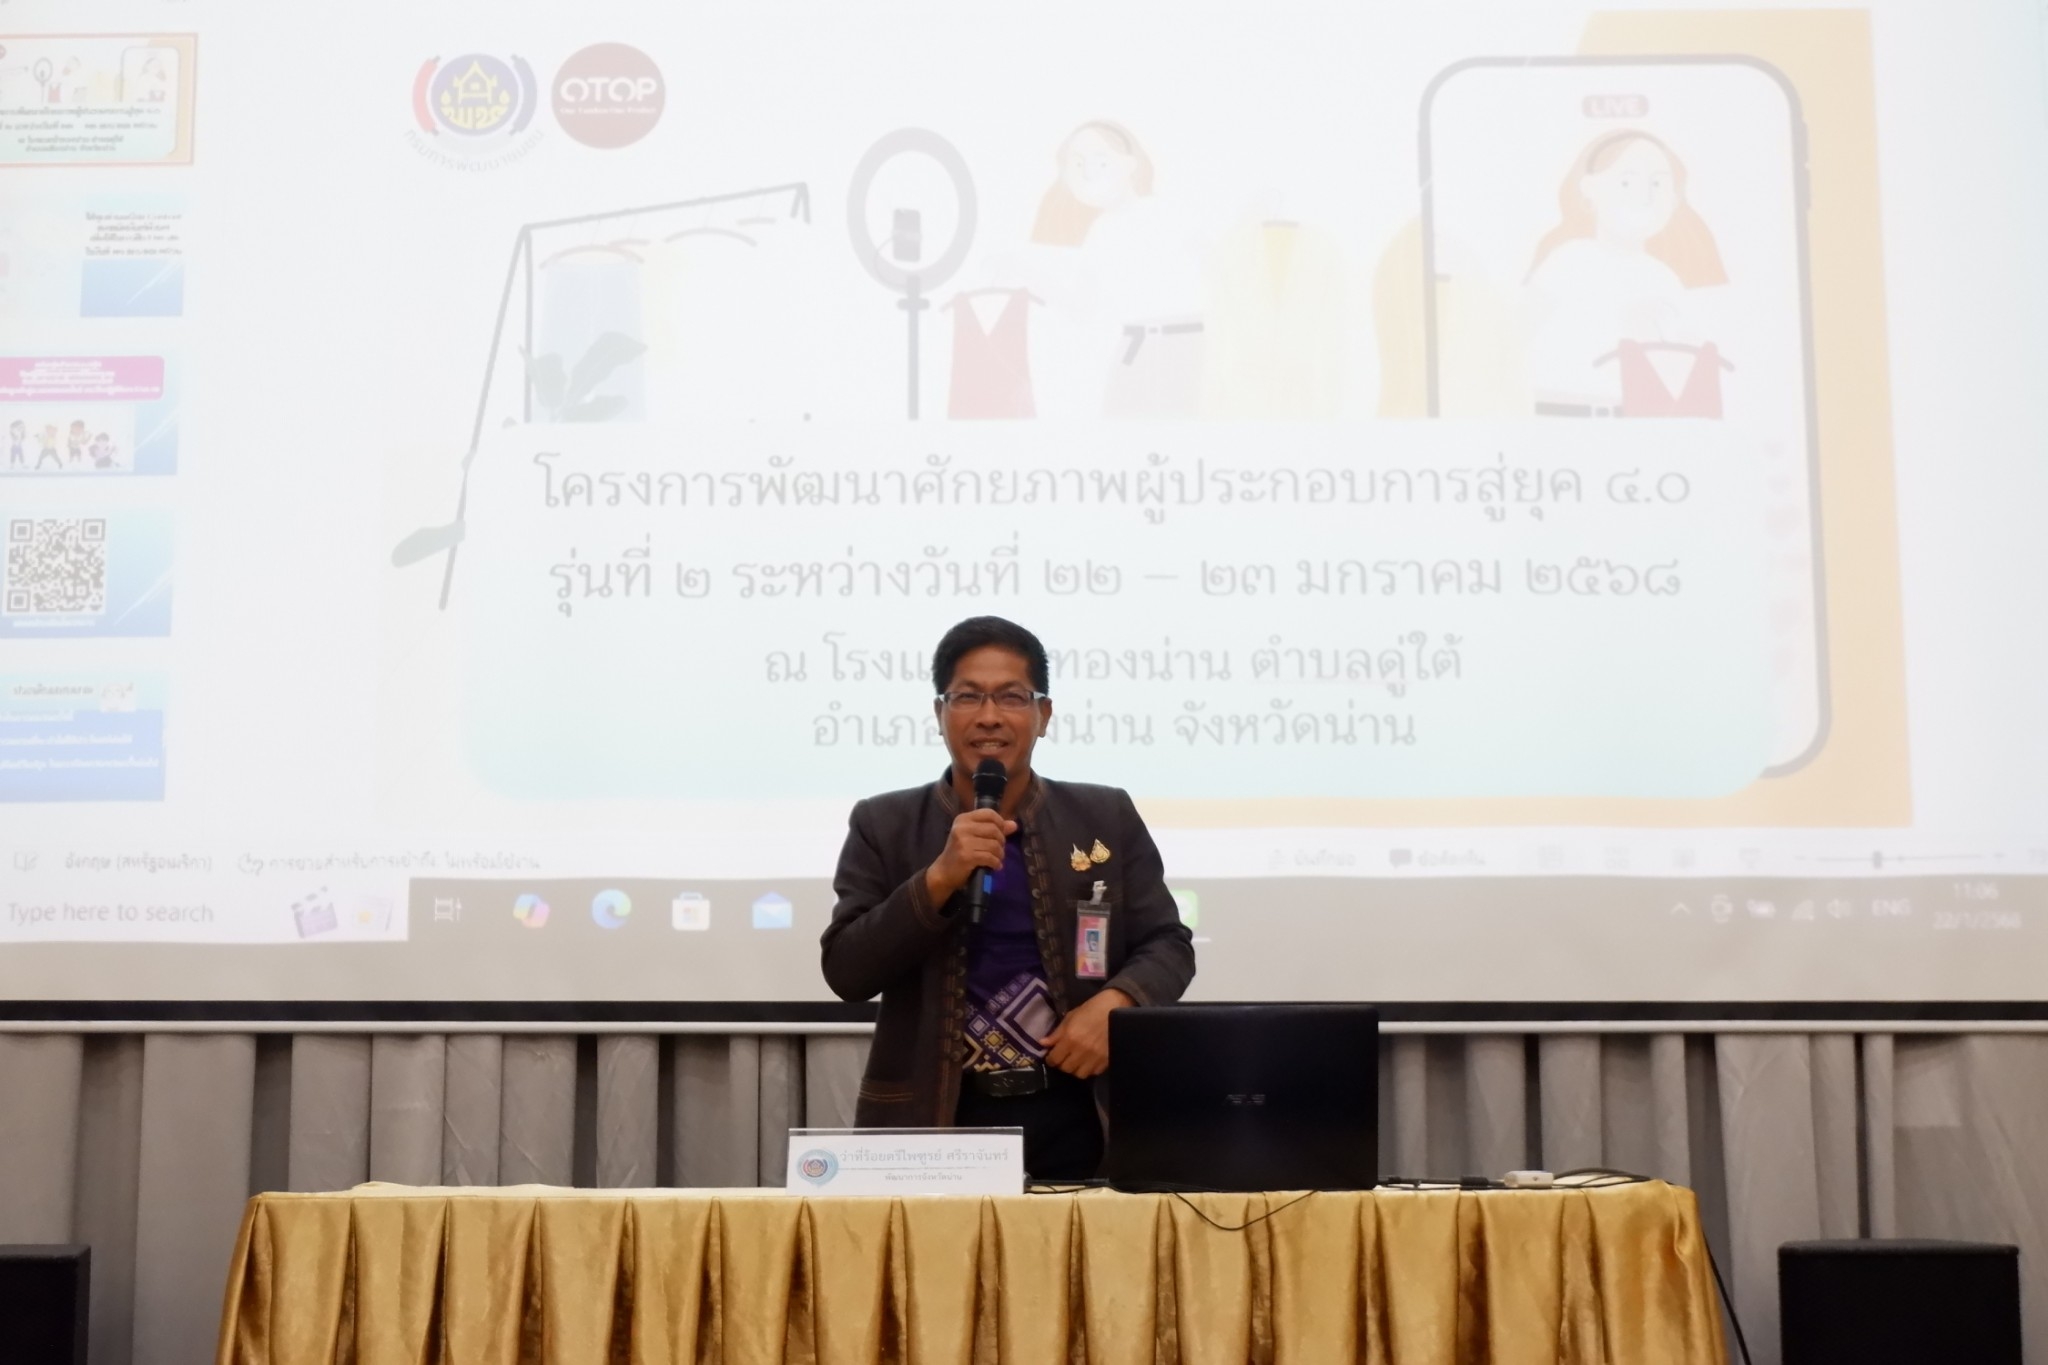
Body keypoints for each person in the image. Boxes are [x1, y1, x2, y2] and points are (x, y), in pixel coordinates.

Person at [821, 616, 1195, 1178]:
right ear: (940, 713)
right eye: (968, 696)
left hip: (1082, 1112)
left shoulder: (1104, 815)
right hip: (935, 1123)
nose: (989, 716)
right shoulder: (884, 823)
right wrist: (939, 877)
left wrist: (1117, 1005)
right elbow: (847, 972)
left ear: (1044, 714)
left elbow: (1169, 944)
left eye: (1012, 697)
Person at [1522, 130, 1727, 414]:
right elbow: (1519, 332)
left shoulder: (1664, 278)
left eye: (1657, 184)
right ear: (1589, 188)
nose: (1644, 197)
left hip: (1636, 415)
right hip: (1558, 406)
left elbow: (1683, 361)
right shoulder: (1568, 260)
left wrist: (1647, 336)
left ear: (1673, 199)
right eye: (1627, 182)